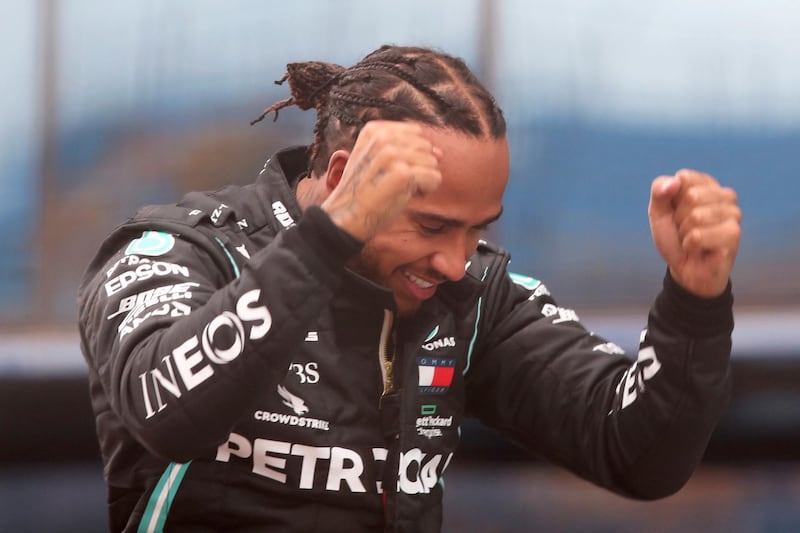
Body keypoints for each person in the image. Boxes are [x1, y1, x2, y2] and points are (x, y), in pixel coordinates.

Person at [77, 44, 742, 533]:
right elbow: (164, 412)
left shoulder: (469, 296)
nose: (456, 260)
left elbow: (639, 453)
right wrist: (327, 239)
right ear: (342, 179)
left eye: (476, 228)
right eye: (431, 224)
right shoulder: (184, 251)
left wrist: (694, 299)